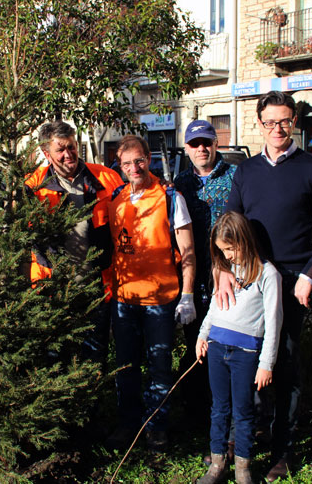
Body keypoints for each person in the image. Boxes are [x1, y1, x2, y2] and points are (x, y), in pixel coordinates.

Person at [221, 91, 312, 481]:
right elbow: (229, 225)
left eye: (284, 121)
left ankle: (283, 451)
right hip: (251, 282)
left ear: (294, 123)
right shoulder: (245, 171)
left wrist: (310, 273)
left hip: (293, 284)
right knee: (247, 363)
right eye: (269, 122)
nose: (277, 129)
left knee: (286, 366)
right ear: (259, 124)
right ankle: (243, 442)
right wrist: (223, 269)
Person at [106, 134, 196, 452]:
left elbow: (187, 252)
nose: (135, 167)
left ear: (149, 159)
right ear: (119, 165)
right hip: (124, 301)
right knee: (126, 366)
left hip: (160, 300)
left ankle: (156, 427)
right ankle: (128, 424)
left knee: (159, 366)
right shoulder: (115, 199)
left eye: (140, 160)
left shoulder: (170, 197)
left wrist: (187, 295)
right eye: (127, 163)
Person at [25, 120, 124, 363]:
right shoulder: (32, 187)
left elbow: (135, 206)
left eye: (72, 147)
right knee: (54, 359)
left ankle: (93, 402)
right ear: (47, 154)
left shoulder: (106, 178)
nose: (69, 154)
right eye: (61, 150)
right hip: (52, 291)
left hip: (96, 290)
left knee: (94, 359)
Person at [195, 211, 282, 484]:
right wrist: (202, 335)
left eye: (231, 248)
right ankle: (217, 465)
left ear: (245, 240)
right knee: (218, 408)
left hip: (245, 353)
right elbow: (214, 306)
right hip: (217, 348)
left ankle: (244, 470)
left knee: (243, 412)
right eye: (223, 250)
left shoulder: (268, 275)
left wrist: (266, 363)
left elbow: (274, 321)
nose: (228, 255)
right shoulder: (227, 270)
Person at [173, 119, 237, 435]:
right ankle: (197, 417)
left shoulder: (237, 178)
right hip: (192, 281)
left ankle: (226, 419)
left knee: (226, 348)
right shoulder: (180, 184)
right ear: (187, 149)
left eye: (207, 142)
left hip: (229, 278)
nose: (202, 149)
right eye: (195, 144)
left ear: (215, 144)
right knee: (195, 347)